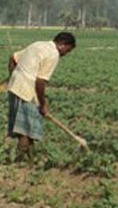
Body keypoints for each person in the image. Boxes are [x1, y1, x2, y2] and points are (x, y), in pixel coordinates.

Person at [6, 31, 77, 159]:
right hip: (26, 92)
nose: (66, 54)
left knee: (28, 127)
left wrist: (13, 77)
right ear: (63, 45)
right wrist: (43, 104)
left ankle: (30, 157)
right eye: (68, 50)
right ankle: (20, 161)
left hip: (15, 87)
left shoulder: (38, 45)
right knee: (26, 130)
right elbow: (40, 81)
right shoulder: (53, 54)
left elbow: (13, 58)